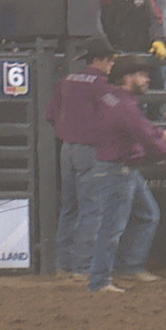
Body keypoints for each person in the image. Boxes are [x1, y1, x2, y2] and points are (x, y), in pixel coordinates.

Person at [83, 53, 166, 293]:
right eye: (141, 75)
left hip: (120, 168)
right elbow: (143, 135)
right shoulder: (125, 106)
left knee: (146, 214)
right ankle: (100, 280)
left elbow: (138, 128)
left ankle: (128, 266)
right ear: (127, 77)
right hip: (119, 170)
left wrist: (156, 134)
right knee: (114, 227)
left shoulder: (113, 99)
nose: (146, 79)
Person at [46, 36, 120, 279]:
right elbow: (115, 116)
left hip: (67, 148)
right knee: (92, 208)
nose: (111, 64)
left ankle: (63, 263)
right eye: (108, 60)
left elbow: (51, 114)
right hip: (89, 149)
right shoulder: (101, 86)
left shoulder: (67, 81)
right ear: (98, 60)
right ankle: (83, 266)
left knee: (70, 207)